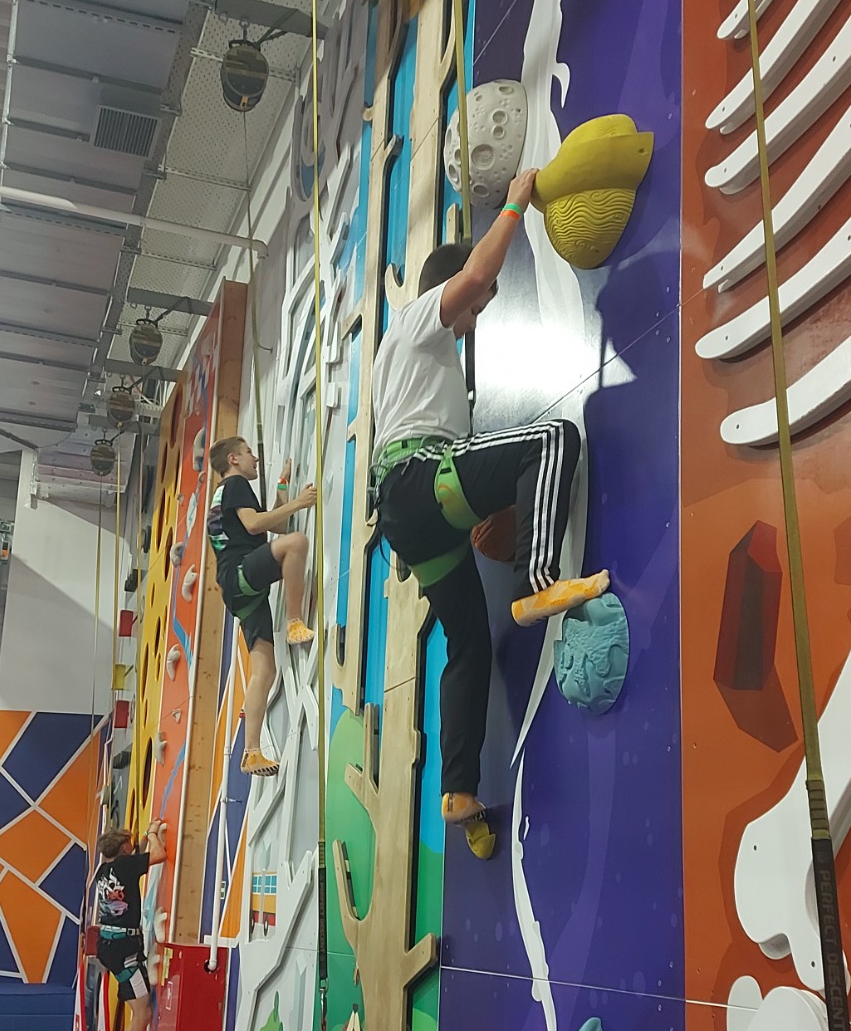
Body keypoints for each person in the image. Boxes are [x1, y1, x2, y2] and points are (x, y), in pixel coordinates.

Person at [371, 168, 609, 859]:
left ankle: (458, 791)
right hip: (418, 479)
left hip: (410, 518)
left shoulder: (407, 361)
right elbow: (474, 275)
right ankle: (540, 582)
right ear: (445, 294)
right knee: (553, 438)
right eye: (477, 307)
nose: (477, 316)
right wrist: (514, 204)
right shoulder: (419, 319)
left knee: (469, 643)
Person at [207, 437, 316, 777]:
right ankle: (295, 621)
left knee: (264, 671)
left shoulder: (226, 494)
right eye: (249, 453)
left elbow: (274, 524)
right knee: (296, 544)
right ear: (233, 459)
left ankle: (251, 751)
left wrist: (283, 484)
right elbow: (256, 525)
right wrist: (298, 503)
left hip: (238, 589)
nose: (255, 458)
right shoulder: (235, 485)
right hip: (240, 572)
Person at [90, 821, 166, 1031]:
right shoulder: (125, 867)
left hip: (110, 944)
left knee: (139, 1006)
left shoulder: (105, 871)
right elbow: (158, 855)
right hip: (124, 950)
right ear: (124, 847)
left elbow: (138, 859)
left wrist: (143, 839)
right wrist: (153, 833)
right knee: (142, 1012)